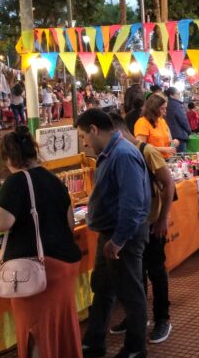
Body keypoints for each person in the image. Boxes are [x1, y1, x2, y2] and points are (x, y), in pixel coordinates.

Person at [0, 127, 82, 358]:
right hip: (65, 265)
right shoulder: (54, 180)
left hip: (37, 272)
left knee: (35, 330)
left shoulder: (16, 182)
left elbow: (1, 222)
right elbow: (69, 223)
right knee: (60, 328)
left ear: (9, 157)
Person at [78, 109, 151, 358]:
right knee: (103, 286)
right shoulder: (109, 153)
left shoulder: (123, 155)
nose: (84, 143)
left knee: (130, 292)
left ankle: (135, 348)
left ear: (94, 130)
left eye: (83, 136)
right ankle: (94, 340)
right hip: (111, 232)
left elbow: (133, 203)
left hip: (123, 235)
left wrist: (118, 241)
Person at [108, 113, 175, 344]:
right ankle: (137, 317)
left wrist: (163, 217)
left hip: (152, 223)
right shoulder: (121, 153)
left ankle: (162, 319)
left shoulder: (147, 151)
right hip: (134, 226)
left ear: (117, 131)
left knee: (156, 270)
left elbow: (168, 183)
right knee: (136, 274)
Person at [134, 94, 177, 159]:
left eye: (165, 108)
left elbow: (163, 141)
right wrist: (163, 149)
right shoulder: (142, 122)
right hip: (152, 161)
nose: (165, 111)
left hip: (165, 160)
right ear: (154, 109)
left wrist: (173, 142)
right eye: (162, 109)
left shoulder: (161, 120)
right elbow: (141, 147)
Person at [164, 87, 191, 154]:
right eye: (178, 94)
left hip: (169, 135)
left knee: (173, 157)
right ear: (171, 95)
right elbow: (183, 120)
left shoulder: (166, 104)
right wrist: (189, 131)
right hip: (179, 136)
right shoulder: (176, 105)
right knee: (180, 157)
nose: (179, 96)